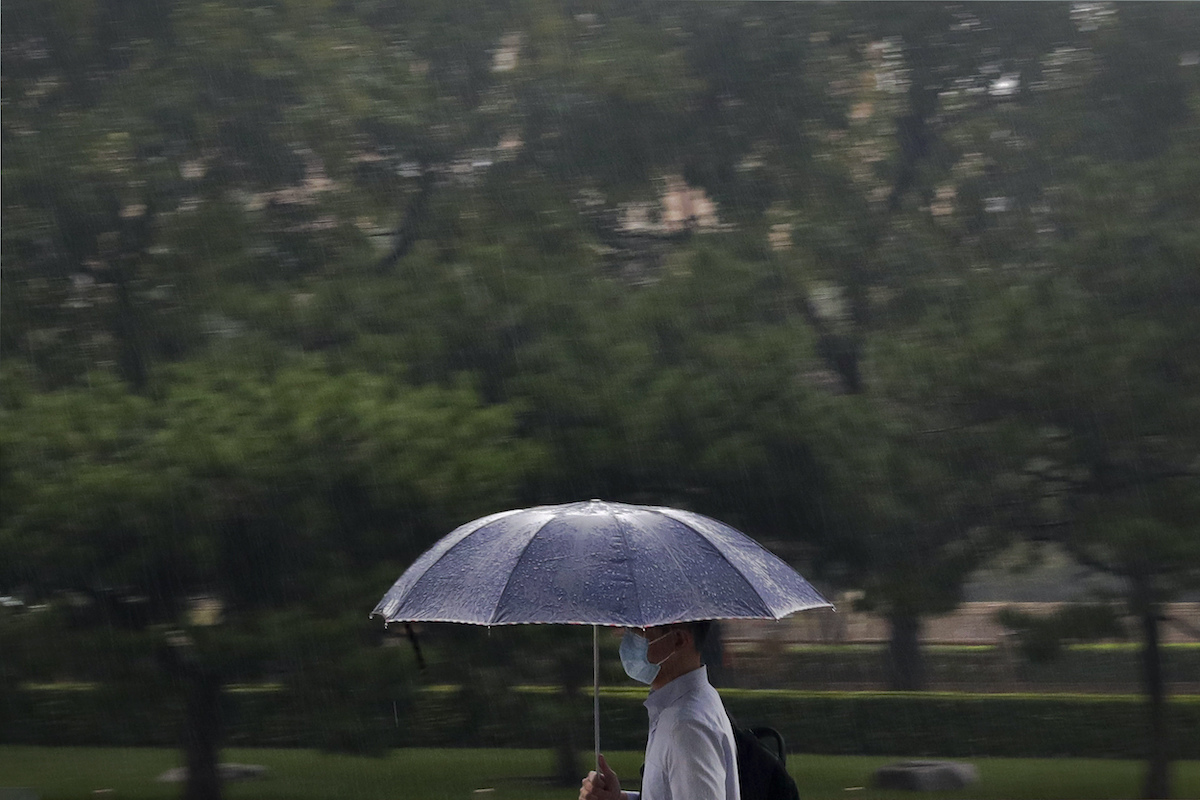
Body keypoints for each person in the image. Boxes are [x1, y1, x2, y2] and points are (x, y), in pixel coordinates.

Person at [579, 620, 740, 800]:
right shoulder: (684, 707)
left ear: (678, 639)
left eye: (637, 630)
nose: (626, 638)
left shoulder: (686, 727)